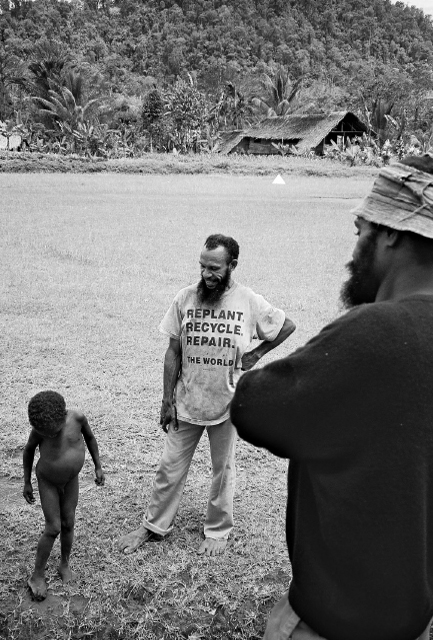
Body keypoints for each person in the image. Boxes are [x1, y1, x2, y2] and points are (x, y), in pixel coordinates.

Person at [230, 155, 433, 640]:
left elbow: (253, 407)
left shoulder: (376, 332)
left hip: (333, 623)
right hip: (413, 619)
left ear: (389, 232)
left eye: (359, 229)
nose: (354, 247)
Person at [118, 233, 295, 556]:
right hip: (186, 401)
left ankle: (217, 531)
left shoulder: (249, 301)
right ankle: (154, 525)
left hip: (227, 404)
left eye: (214, 268)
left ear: (232, 265)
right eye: (202, 266)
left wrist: (255, 355)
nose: (206, 274)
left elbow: (286, 326)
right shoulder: (185, 298)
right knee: (169, 467)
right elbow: (173, 352)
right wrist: (166, 399)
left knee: (222, 471)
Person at [23, 390, 105, 601]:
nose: (48, 435)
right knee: (53, 527)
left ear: (63, 417)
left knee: (69, 523)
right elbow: (29, 451)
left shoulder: (77, 418)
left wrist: (98, 466)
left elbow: (90, 438)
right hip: (48, 481)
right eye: (44, 433)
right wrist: (26, 482)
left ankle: (64, 564)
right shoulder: (39, 431)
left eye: (52, 432)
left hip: (70, 481)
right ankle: (37, 576)